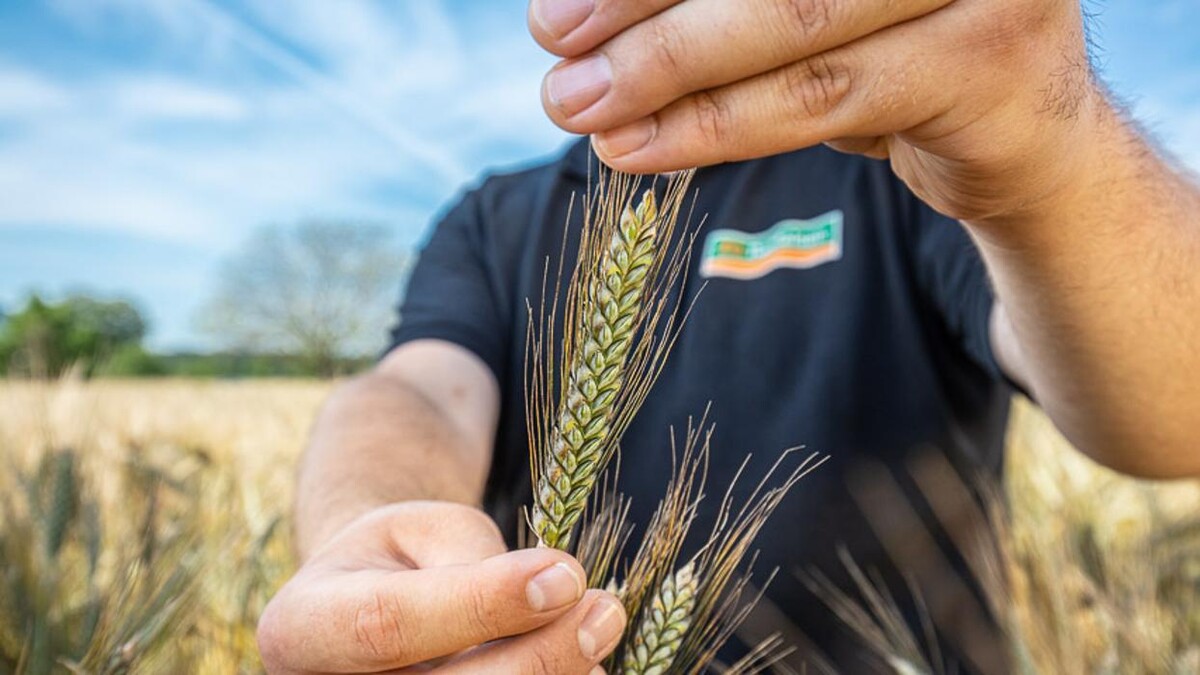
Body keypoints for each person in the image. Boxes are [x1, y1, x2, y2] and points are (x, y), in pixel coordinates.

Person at [257, 1, 1200, 673]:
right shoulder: (496, 217)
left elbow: (1178, 413)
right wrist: (372, 539)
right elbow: (417, 391)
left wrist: (1050, 160)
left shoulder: (916, 162)